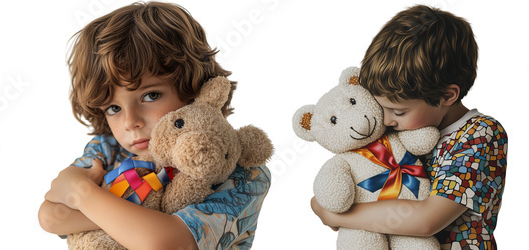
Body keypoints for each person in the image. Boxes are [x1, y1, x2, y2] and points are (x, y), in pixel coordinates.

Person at [37, 2, 271, 249]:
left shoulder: (242, 172)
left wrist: (82, 190)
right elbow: (51, 218)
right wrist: (141, 224)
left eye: (150, 96)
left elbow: (168, 244)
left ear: (196, 89)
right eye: (113, 108)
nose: (130, 122)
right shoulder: (107, 150)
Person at [311, 5, 506, 250]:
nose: (387, 120)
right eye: (381, 108)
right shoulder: (393, 132)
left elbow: (425, 220)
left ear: (447, 96)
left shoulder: (480, 134)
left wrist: (338, 215)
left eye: (399, 111)